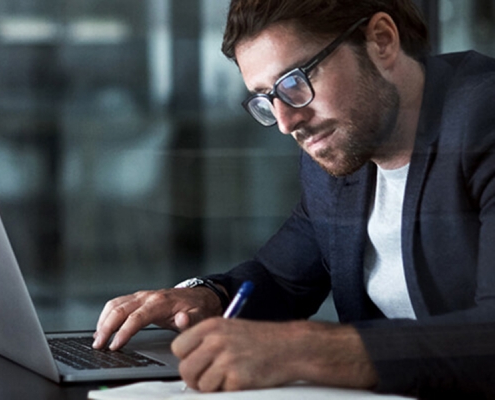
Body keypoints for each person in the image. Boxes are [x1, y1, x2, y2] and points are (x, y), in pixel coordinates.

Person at [93, 0, 495, 397]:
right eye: (267, 98)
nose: (285, 122)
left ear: (382, 41)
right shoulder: (341, 154)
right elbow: (281, 278)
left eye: (294, 81)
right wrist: (206, 297)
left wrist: (313, 348)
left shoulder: (483, 117)